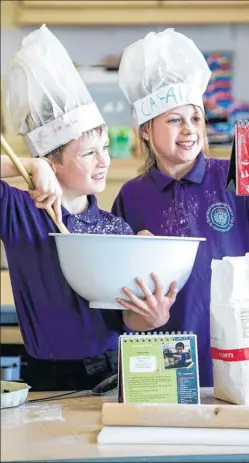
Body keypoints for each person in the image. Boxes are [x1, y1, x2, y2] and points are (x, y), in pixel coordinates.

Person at [112, 29, 249, 387]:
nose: (188, 130)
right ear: (144, 130)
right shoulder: (131, 196)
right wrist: (146, 317)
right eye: (174, 120)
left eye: (196, 119)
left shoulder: (233, 178)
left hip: (235, 354)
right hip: (162, 355)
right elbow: (124, 308)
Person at [0, 25, 177, 391]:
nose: (104, 161)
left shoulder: (114, 228)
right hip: (46, 375)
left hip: (113, 374)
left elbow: (126, 318)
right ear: (53, 162)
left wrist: (153, 318)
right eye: (89, 153)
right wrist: (30, 168)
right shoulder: (18, 211)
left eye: (106, 148)